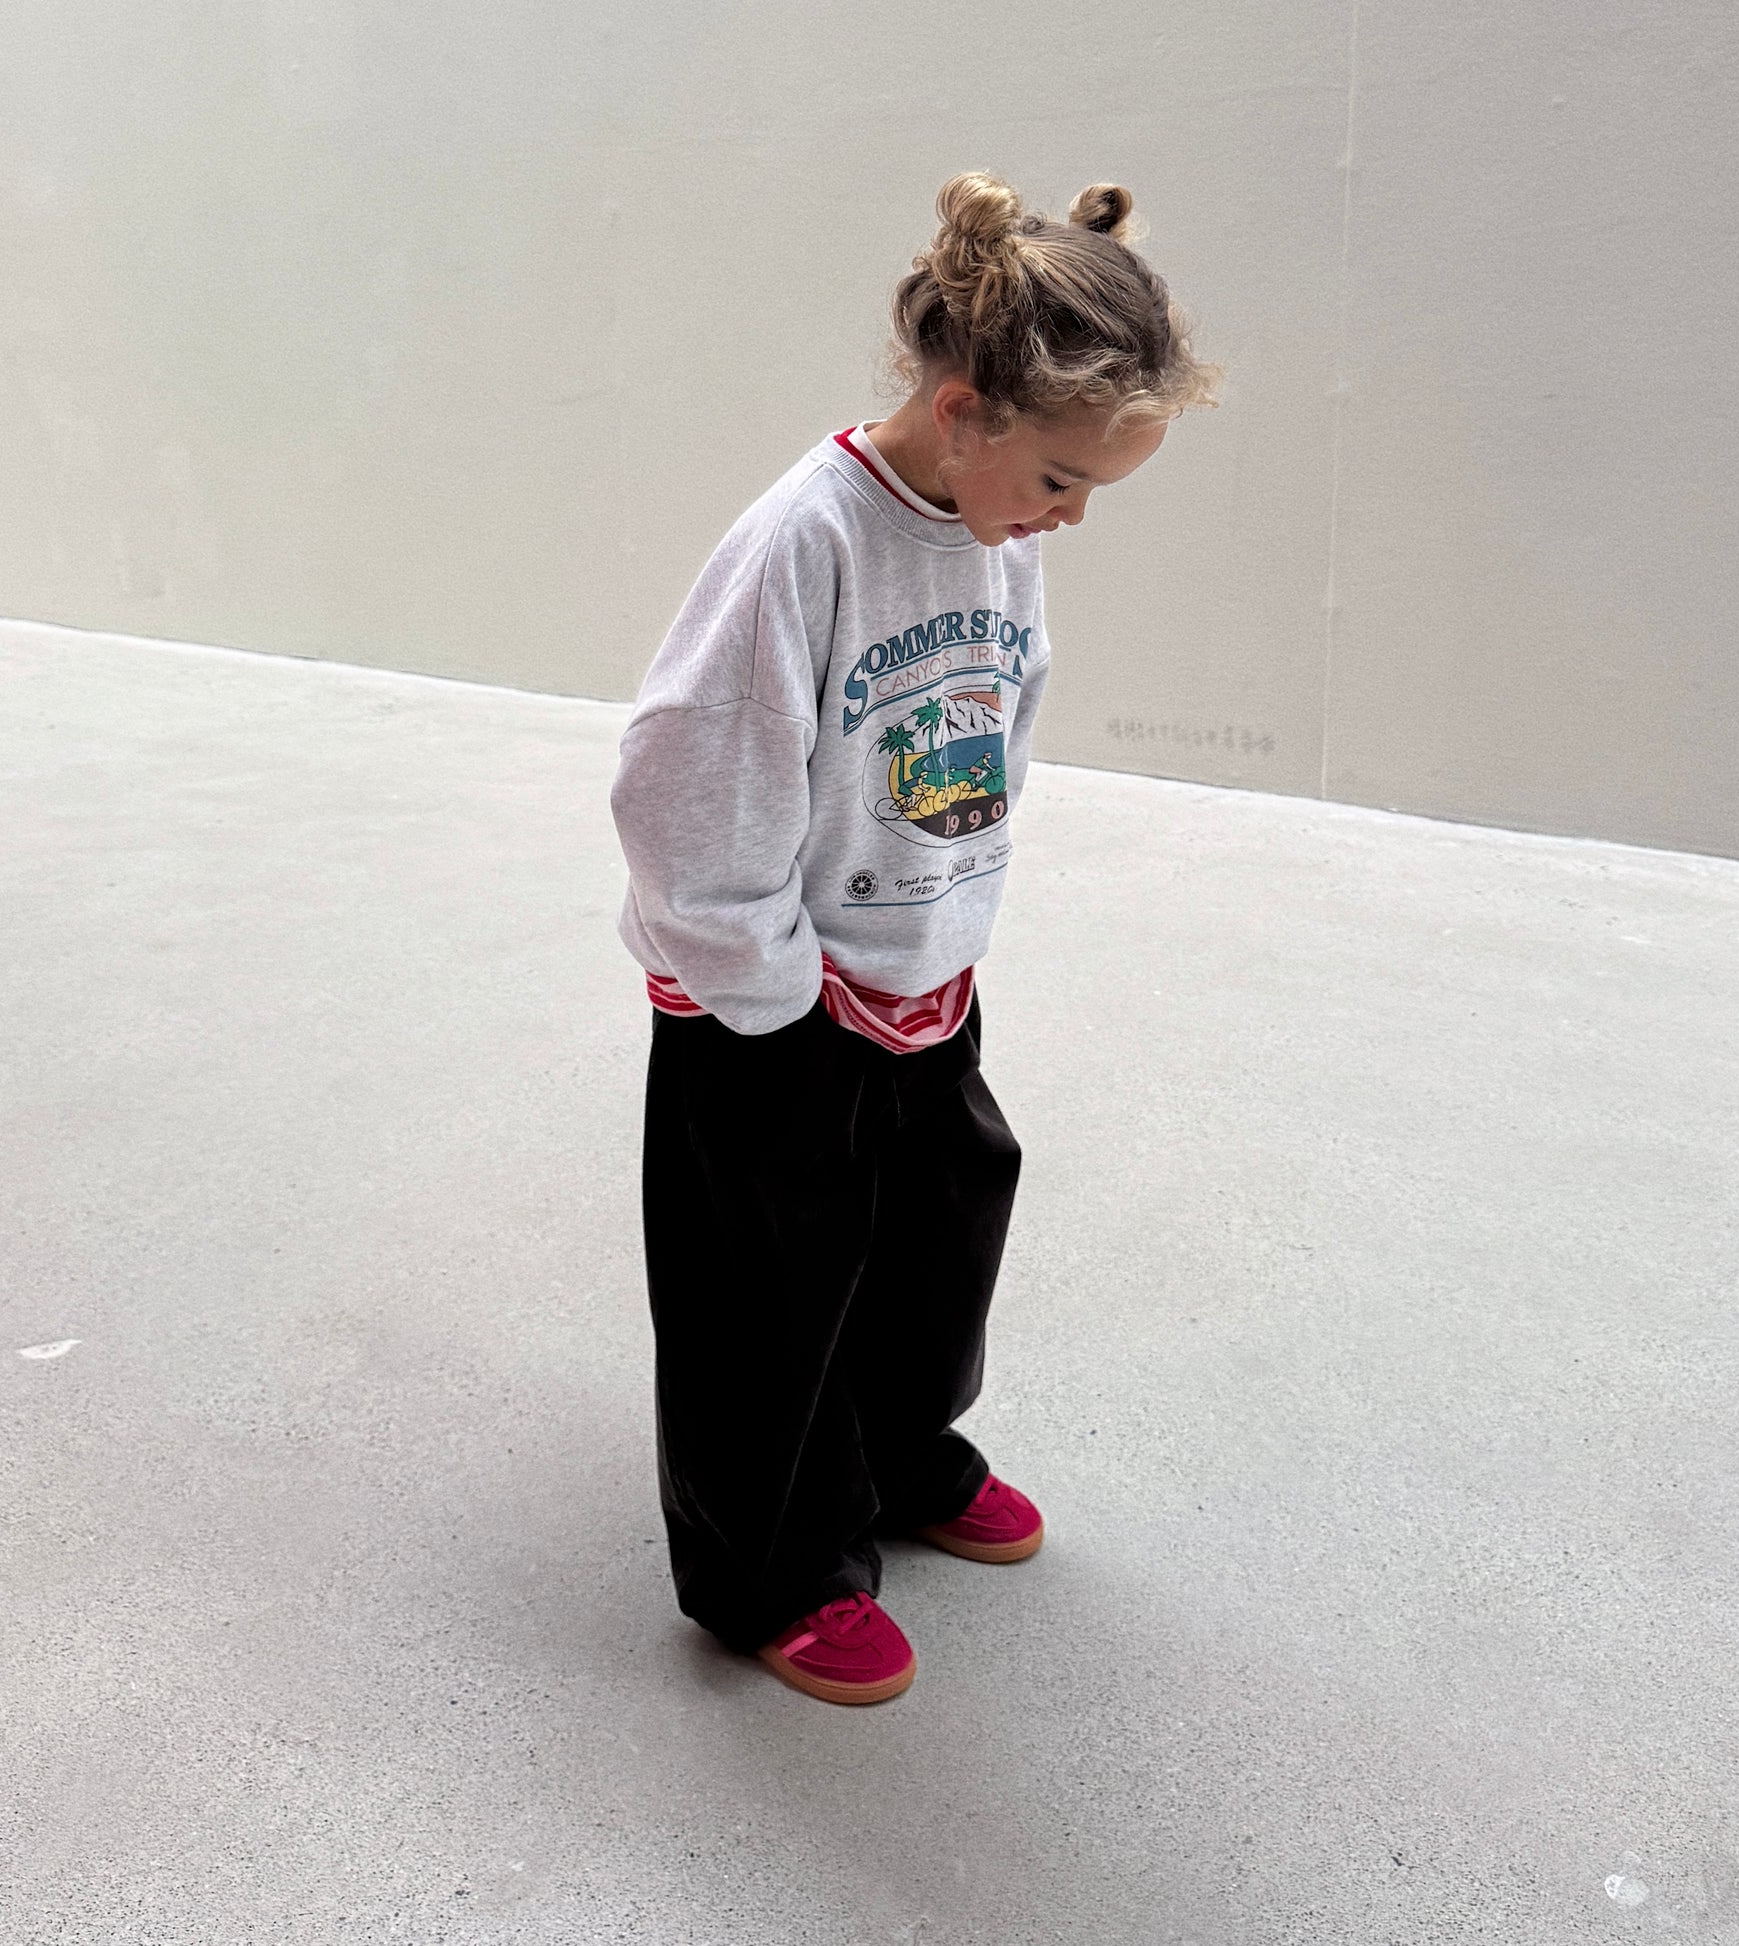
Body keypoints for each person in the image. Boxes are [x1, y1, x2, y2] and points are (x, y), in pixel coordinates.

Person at [609, 170, 1217, 1705]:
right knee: (768, 1286)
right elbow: (682, 781)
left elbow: (1000, 709)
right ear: (962, 411)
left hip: (918, 967)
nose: (1070, 515)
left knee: (941, 1225)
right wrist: (769, 989)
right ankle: (770, 1565)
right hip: (767, 999)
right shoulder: (802, 542)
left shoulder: (997, 524)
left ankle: (893, 1453)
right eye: (1063, 477)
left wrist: (956, 904)